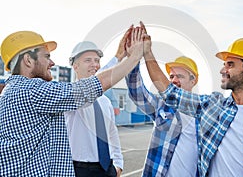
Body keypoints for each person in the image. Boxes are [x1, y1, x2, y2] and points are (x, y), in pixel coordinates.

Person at [140, 34, 243, 176]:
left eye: (230, 64)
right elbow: (170, 93)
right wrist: (147, 53)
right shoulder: (212, 106)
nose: (223, 70)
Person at [0, 27, 143, 176]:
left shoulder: (14, 90)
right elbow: (88, 88)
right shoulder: (31, 91)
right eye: (47, 56)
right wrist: (133, 58)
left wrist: (118, 57)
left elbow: (89, 85)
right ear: (28, 60)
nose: (52, 62)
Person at [125, 22, 199, 176]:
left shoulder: (206, 113)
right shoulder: (162, 106)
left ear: (194, 81)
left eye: (179, 76)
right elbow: (136, 92)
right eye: (171, 76)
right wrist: (134, 58)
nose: (174, 80)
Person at [65, 40, 125, 177]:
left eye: (97, 60)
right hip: (79, 170)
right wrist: (118, 58)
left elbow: (112, 135)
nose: (94, 65)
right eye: (88, 60)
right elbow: (87, 89)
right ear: (75, 65)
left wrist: (118, 164)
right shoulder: (68, 96)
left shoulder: (105, 102)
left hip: (107, 169)